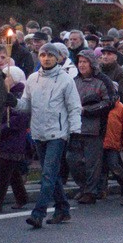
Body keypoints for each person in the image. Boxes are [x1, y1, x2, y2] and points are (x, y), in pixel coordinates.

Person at [10, 43, 82, 228]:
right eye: (43, 55)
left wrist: (75, 132)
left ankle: (38, 213)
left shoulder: (66, 80)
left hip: (57, 134)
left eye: (50, 55)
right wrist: (13, 102)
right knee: (52, 174)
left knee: (48, 174)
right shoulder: (32, 79)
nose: (46, 58)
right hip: (38, 132)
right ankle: (63, 209)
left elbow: (74, 107)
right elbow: (26, 105)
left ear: (57, 58)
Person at [68, 50, 115, 204]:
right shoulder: (74, 81)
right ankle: (83, 187)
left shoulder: (102, 81)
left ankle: (91, 191)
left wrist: (88, 109)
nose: (82, 65)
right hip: (75, 127)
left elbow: (110, 101)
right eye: (80, 62)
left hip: (95, 128)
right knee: (73, 161)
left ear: (91, 63)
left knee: (92, 162)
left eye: (85, 62)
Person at [0, 67, 29, 213]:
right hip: (3, 139)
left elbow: (19, 120)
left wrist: (0, 128)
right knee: (11, 172)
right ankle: (22, 197)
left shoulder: (19, 95)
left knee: (4, 173)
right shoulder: (3, 94)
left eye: (6, 77)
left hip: (14, 140)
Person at [99, 89, 123, 199]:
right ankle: (102, 190)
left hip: (113, 143)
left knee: (114, 166)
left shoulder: (121, 108)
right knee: (101, 168)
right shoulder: (102, 106)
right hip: (101, 142)